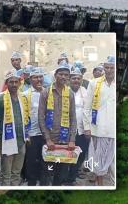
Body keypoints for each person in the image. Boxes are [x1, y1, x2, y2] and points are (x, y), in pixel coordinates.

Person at [38, 61, 77, 186]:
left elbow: (73, 118)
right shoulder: (46, 92)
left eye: (66, 75)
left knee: (61, 174)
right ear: (56, 75)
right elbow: (41, 117)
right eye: (61, 74)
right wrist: (47, 139)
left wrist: (72, 140)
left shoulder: (70, 94)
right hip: (50, 140)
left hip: (65, 141)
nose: (63, 77)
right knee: (47, 172)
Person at [0, 71, 28, 186]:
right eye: (11, 82)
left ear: (19, 83)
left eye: (16, 82)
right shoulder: (0, 99)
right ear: (7, 83)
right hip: (7, 140)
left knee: (17, 171)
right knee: (6, 172)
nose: (14, 84)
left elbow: (27, 116)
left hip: (21, 140)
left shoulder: (23, 97)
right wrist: (1, 133)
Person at [83, 56, 116, 186]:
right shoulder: (94, 83)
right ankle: (99, 186)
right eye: (106, 67)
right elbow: (87, 108)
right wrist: (87, 127)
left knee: (113, 162)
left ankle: (114, 185)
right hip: (98, 129)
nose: (109, 70)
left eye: (112, 68)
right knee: (98, 160)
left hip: (113, 129)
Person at [64, 67, 89, 186]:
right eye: (74, 78)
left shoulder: (85, 91)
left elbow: (88, 110)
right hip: (66, 130)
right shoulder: (64, 91)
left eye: (78, 78)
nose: (76, 80)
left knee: (81, 154)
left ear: (81, 80)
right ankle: (63, 178)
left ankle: (71, 179)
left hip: (82, 129)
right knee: (66, 154)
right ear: (69, 79)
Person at [21, 67, 45, 186]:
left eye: (41, 76)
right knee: (31, 160)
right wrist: (26, 134)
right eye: (35, 77)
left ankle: (44, 182)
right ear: (30, 79)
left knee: (44, 159)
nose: (39, 79)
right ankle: (31, 182)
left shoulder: (48, 93)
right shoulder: (25, 95)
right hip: (32, 134)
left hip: (46, 134)